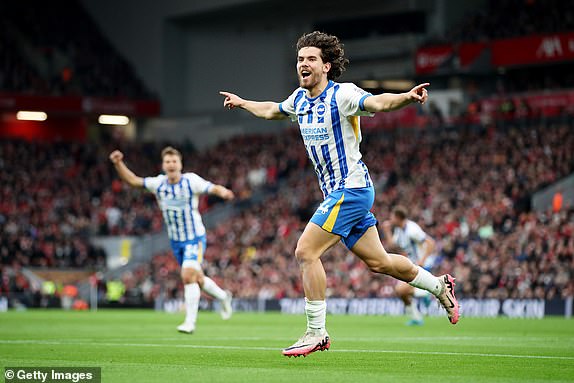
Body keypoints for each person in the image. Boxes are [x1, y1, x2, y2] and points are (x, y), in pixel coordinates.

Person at [220, 31, 459, 357]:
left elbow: (377, 102)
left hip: (352, 188)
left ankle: (316, 332)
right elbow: (272, 110)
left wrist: (405, 96)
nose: (303, 64)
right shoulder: (299, 100)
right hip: (340, 193)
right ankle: (438, 285)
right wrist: (243, 102)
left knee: (305, 252)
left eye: (311, 59)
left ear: (326, 66)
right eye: (300, 59)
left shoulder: (343, 94)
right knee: (380, 262)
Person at [109, 146, 234, 334]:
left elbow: (211, 187)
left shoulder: (191, 181)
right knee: (197, 278)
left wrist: (222, 191)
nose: (171, 164)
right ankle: (224, 297)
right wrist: (118, 163)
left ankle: (190, 323)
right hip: (176, 241)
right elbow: (133, 181)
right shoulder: (158, 184)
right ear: (163, 165)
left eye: (174, 161)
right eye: (168, 161)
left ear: (180, 164)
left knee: (187, 275)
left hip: (194, 238)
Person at [382, 206, 437, 326]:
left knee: (401, 289)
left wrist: (422, 260)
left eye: (392, 216)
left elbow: (430, 243)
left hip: (422, 266)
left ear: (398, 217)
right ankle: (416, 316)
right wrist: (386, 231)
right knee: (401, 292)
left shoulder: (412, 229)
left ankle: (426, 293)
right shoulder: (399, 229)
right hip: (411, 265)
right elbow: (392, 245)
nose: (390, 219)